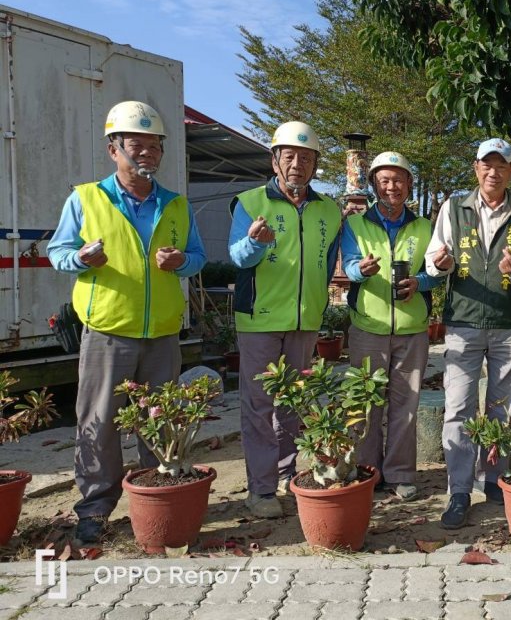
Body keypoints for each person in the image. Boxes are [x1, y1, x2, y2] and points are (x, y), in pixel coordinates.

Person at [47, 100, 207, 543]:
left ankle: (155, 503)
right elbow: (57, 253)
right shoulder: (85, 199)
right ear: (113, 149)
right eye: (136, 144)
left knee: (161, 422)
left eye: (155, 146)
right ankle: (95, 510)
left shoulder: (176, 205)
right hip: (107, 333)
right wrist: (80, 258)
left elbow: (197, 259)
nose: (147, 153)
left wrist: (180, 262)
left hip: (162, 334)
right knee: (99, 422)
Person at [228, 121, 342, 519]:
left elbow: (328, 265)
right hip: (259, 319)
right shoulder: (249, 202)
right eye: (289, 156)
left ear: (315, 166)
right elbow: (238, 259)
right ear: (274, 159)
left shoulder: (329, 209)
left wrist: (314, 303)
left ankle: (285, 476)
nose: (297, 164)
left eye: (306, 158)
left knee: (293, 405)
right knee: (258, 406)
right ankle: (260, 490)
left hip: (305, 321)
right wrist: (254, 244)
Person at [425, 138, 511, 529]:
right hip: (463, 321)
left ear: (510, 171)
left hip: (509, 323)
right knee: (458, 407)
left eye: (501, 165)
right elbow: (434, 258)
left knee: (502, 407)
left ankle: (495, 480)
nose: (493, 172)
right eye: (486, 165)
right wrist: (442, 263)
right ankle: (459, 489)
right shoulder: (453, 208)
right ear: (476, 168)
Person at [341, 151, 440, 502]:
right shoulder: (355, 224)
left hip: (412, 329)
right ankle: (369, 470)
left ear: (409, 184)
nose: (391, 186)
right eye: (384, 180)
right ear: (373, 185)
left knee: (406, 403)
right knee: (366, 402)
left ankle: (400, 474)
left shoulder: (425, 227)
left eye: (398, 179)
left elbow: (436, 273)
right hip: (368, 326)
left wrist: (421, 283)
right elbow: (348, 266)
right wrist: (361, 270)